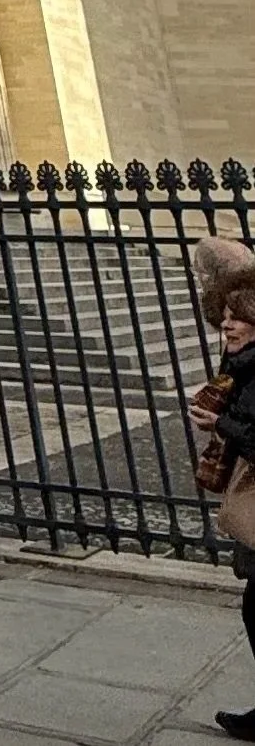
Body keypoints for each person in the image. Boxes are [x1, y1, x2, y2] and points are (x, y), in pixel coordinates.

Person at [193, 271, 255, 739]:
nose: (226, 325)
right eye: (225, 317)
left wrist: (221, 423)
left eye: (237, 318)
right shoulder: (241, 367)